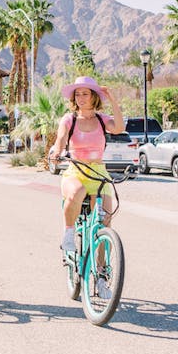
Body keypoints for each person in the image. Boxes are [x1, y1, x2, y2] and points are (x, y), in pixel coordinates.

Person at [47, 76, 124, 290]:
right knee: (77, 191)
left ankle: (101, 277)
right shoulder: (69, 120)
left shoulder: (102, 120)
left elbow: (118, 127)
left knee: (105, 221)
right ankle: (69, 233)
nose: (80, 98)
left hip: (99, 173)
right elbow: (60, 142)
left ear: (94, 97)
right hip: (76, 171)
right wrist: (55, 153)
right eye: (77, 94)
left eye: (85, 94)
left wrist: (113, 99)